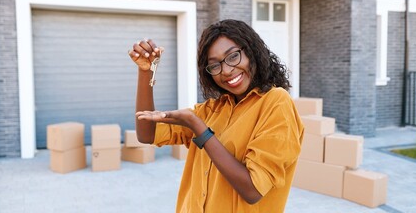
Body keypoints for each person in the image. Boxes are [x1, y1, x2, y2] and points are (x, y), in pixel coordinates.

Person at [128, 19, 304, 213]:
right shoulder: (214, 109)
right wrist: (146, 71)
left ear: (252, 51)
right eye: (214, 66)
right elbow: (147, 134)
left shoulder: (276, 103)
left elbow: (253, 189)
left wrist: (200, 129)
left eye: (233, 56)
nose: (227, 70)